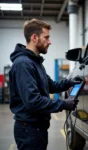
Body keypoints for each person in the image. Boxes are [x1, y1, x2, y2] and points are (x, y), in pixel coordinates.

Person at [9, 18, 80, 150]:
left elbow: (50, 85)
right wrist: (63, 104)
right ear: (34, 38)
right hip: (29, 130)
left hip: (37, 128)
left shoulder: (35, 63)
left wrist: (68, 83)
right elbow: (33, 101)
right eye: (46, 37)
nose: (50, 42)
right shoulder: (24, 64)